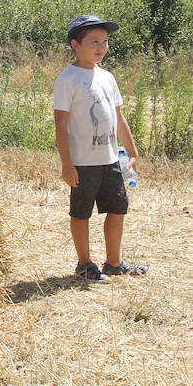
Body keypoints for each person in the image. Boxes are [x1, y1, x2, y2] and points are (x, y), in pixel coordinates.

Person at [53, 15, 148, 283]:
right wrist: (67, 164)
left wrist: (132, 151)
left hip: (110, 160)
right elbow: (60, 124)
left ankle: (113, 264)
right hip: (82, 162)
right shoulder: (67, 79)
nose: (101, 47)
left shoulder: (107, 77)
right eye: (94, 41)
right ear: (75, 44)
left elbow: (118, 117)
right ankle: (84, 264)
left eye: (105, 41)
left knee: (118, 209)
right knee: (81, 213)